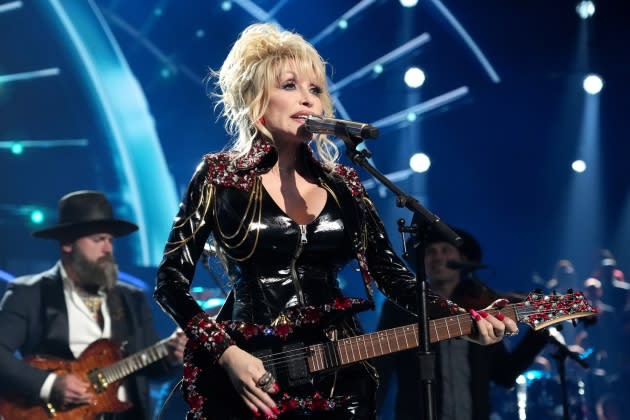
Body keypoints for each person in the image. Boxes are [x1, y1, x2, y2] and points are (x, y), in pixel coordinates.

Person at [153, 22, 518, 420]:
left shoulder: (345, 183)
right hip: (253, 371)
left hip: (340, 370)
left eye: (315, 90)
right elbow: (170, 282)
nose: (308, 100)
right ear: (255, 97)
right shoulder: (220, 176)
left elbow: (390, 273)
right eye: (290, 86)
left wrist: (460, 318)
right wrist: (227, 354)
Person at [0, 190, 187, 420]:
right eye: (98, 240)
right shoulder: (30, 294)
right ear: (67, 244)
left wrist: (171, 356)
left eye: (110, 240)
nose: (108, 249)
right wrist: (50, 384)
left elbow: (151, 371)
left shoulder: (131, 298)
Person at [374, 222, 549, 420]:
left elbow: (503, 374)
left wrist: (542, 331)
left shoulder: (481, 307)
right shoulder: (400, 308)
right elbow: (382, 368)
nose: (438, 256)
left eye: (446, 250)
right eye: (430, 252)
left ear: (462, 259)